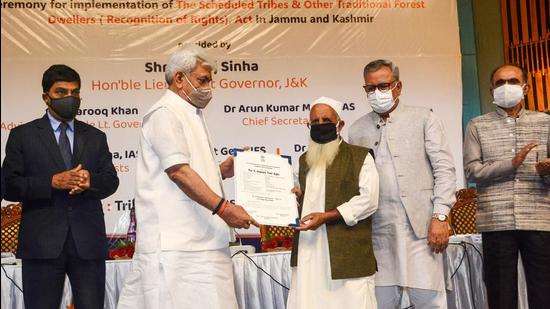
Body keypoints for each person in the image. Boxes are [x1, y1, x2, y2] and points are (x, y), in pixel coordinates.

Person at [117, 44, 257, 309]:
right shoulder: (165, 113)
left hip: (203, 242)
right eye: (203, 80)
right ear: (179, 78)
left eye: (211, 80)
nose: (209, 87)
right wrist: (225, 209)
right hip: (177, 246)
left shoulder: (189, 112)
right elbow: (178, 172)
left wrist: (221, 170)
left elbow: (185, 167)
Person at [2, 64, 120, 309]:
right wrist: (51, 182)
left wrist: (90, 181)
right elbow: (8, 186)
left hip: (87, 243)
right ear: (46, 96)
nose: (70, 98)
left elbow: (111, 181)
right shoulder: (22, 135)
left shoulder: (95, 137)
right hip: (41, 244)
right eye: (61, 92)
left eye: (75, 93)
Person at [349, 59, 457, 308]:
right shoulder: (357, 130)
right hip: (377, 232)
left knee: (429, 301)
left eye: (384, 85)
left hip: (421, 229)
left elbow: (444, 169)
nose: (377, 93)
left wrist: (440, 217)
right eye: (370, 88)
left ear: (398, 86)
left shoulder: (424, 118)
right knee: (382, 303)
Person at [463, 64, 550, 309]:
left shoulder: (545, 122)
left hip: (540, 219)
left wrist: (546, 172)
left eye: (512, 81)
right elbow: (472, 171)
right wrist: (510, 164)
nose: (506, 87)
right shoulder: (477, 125)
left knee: (544, 292)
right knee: (501, 296)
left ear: (526, 87)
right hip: (496, 221)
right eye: (500, 83)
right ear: (491, 91)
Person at [287, 96, 379, 308]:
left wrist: (328, 216)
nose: (320, 126)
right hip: (309, 250)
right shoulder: (303, 160)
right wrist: (300, 200)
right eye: (315, 122)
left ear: (340, 124)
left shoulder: (360, 156)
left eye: (326, 120)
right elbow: (310, 200)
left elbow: (369, 200)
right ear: (308, 125)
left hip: (347, 252)